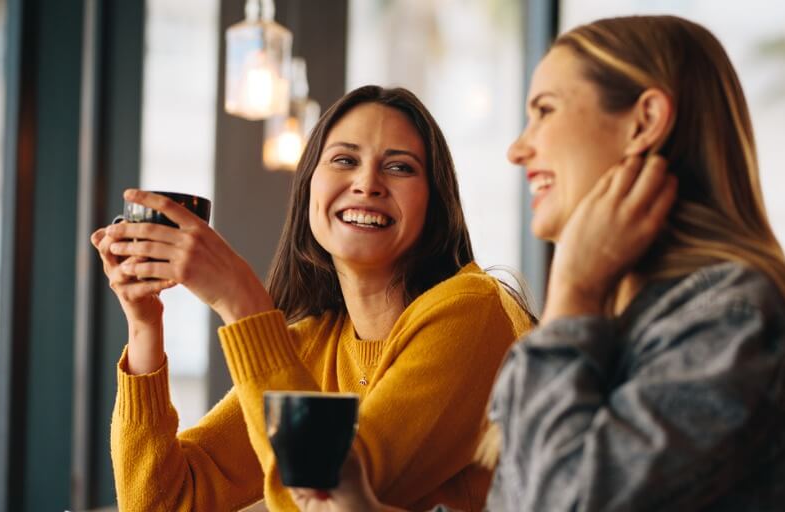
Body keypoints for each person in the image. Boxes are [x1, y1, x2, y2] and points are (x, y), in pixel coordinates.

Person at [289, 15, 785, 511]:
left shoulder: (732, 318)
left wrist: (574, 292)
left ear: (644, 121)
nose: (518, 148)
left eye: (545, 112)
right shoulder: (636, 319)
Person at [90, 85, 534, 511]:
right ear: (307, 192)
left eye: (399, 167)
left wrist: (241, 300)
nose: (367, 183)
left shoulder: (471, 311)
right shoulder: (313, 346)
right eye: (344, 159)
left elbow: (333, 496)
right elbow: (162, 503)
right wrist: (145, 324)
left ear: (435, 205)